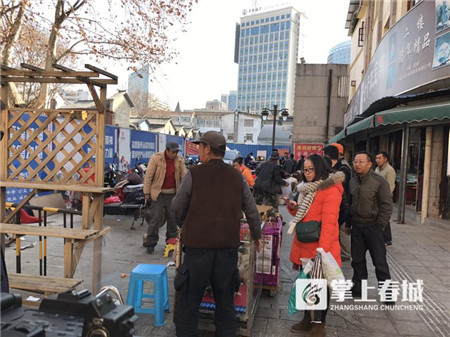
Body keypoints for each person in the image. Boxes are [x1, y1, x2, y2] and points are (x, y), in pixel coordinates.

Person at [171, 131, 262, 337]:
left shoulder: (194, 174)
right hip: (226, 251)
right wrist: (257, 235)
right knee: (225, 303)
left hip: (197, 250)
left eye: (200, 146)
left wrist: (183, 225)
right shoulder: (237, 176)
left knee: (189, 303)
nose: (199, 150)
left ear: (208, 149)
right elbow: (252, 210)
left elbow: (177, 207)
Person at [286, 154, 344, 337]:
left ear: (320, 169)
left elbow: (329, 223)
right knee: (306, 282)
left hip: (320, 246)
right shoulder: (306, 189)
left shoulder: (330, 190)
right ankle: (306, 319)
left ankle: (319, 325)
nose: (307, 172)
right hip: (305, 243)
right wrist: (293, 206)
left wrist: (322, 251)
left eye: (310, 169)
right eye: (305, 169)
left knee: (320, 286)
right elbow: (303, 213)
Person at [349, 152, 394, 303]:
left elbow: (387, 206)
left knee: (379, 262)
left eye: (361, 162)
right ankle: (358, 289)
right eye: (355, 161)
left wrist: (380, 226)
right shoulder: (353, 181)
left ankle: (387, 294)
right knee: (357, 260)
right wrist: (349, 223)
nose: (357, 164)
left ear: (369, 164)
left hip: (373, 227)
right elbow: (351, 203)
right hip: (357, 227)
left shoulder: (379, 181)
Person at [143, 142, 187, 253]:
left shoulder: (180, 160)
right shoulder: (156, 158)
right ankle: (151, 243)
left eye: (176, 152)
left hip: (173, 194)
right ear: (167, 150)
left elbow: (184, 177)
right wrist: (146, 192)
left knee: (172, 220)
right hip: (158, 193)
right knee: (155, 219)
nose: (174, 154)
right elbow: (148, 176)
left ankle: (171, 243)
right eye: (173, 152)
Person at [323, 145, 351, 260]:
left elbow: (343, 189)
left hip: (343, 204)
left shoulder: (343, 168)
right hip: (336, 205)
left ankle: (345, 254)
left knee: (342, 230)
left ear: (328, 155)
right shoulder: (334, 167)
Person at [375, 151, 396, 247]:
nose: (377, 160)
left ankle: (388, 240)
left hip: (384, 197)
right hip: (376, 196)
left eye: (380, 158)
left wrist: (384, 196)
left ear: (385, 159)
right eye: (376, 158)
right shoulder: (377, 169)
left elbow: (391, 186)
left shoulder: (389, 170)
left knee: (385, 218)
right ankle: (380, 237)